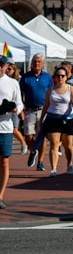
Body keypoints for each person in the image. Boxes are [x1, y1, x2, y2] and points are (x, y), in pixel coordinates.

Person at [40, 66, 73, 176]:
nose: (60, 78)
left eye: (62, 76)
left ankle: (70, 163)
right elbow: (46, 105)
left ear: (66, 77)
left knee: (68, 146)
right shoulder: (51, 90)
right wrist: (41, 119)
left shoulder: (70, 88)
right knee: (54, 144)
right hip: (53, 118)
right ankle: (53, 169)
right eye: (58, 76)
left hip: (67, 119)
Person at [0, 56, 24, 209]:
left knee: (4, 161)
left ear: (6, 66)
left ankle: (0, 195)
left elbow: (20, 103)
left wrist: (15, 109)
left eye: (1, 65)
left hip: (5, 127)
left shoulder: (12, 83)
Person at [21, 54, 51, 166]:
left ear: (42, 63)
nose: (36, 64)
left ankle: (41, 161)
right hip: (29, 109)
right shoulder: (25, 77)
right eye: (34, 61)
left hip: (43, 109)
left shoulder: (47, 77)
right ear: (31, 63)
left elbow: (50, 93)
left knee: (41, 136)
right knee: (28, 135)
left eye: (39, 62)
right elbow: (21, 92)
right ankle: (34, 151)